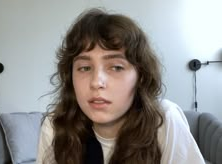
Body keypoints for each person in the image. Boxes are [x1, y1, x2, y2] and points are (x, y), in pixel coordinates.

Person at [36, 8, 205, 164]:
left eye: (116, 67)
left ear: (140, 76)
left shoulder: (164, 121)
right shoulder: (55, 126)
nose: (96, 82)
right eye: (85, 68)